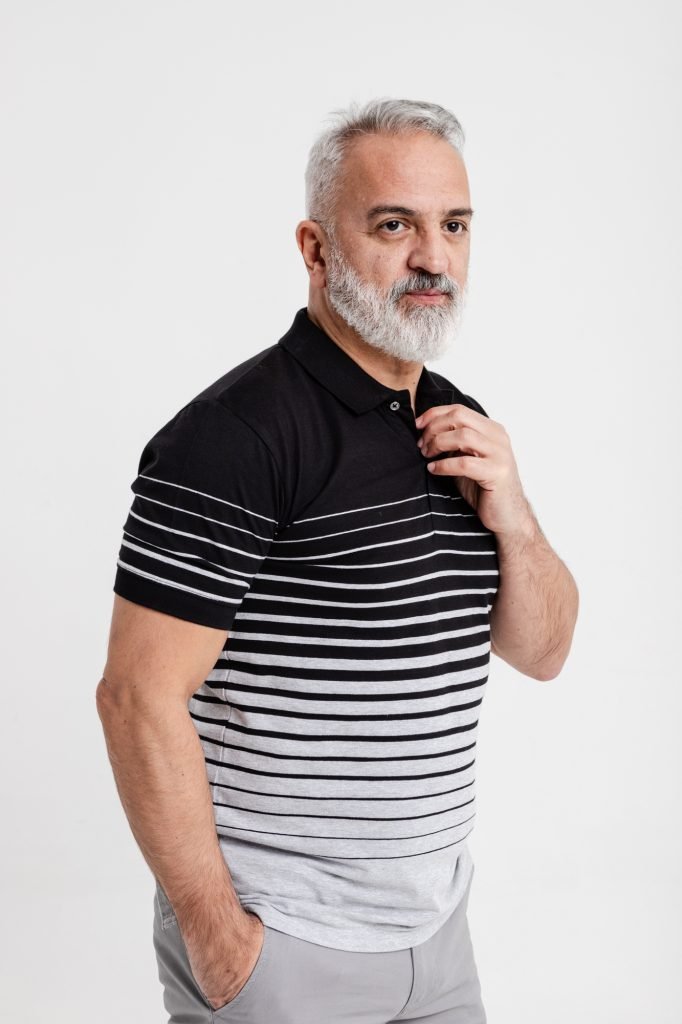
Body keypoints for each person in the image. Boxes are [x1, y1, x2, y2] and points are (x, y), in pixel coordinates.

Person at [97, 98, 579, 1023]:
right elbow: (134, 697)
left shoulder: (458, 424)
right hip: (281, 946)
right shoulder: (236, 435)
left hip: (440, 941)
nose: (433, 257)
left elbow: (544, 652)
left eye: (454, 225)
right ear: (315, 249)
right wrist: (218, 939)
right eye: (394, 225)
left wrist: (515, 516)